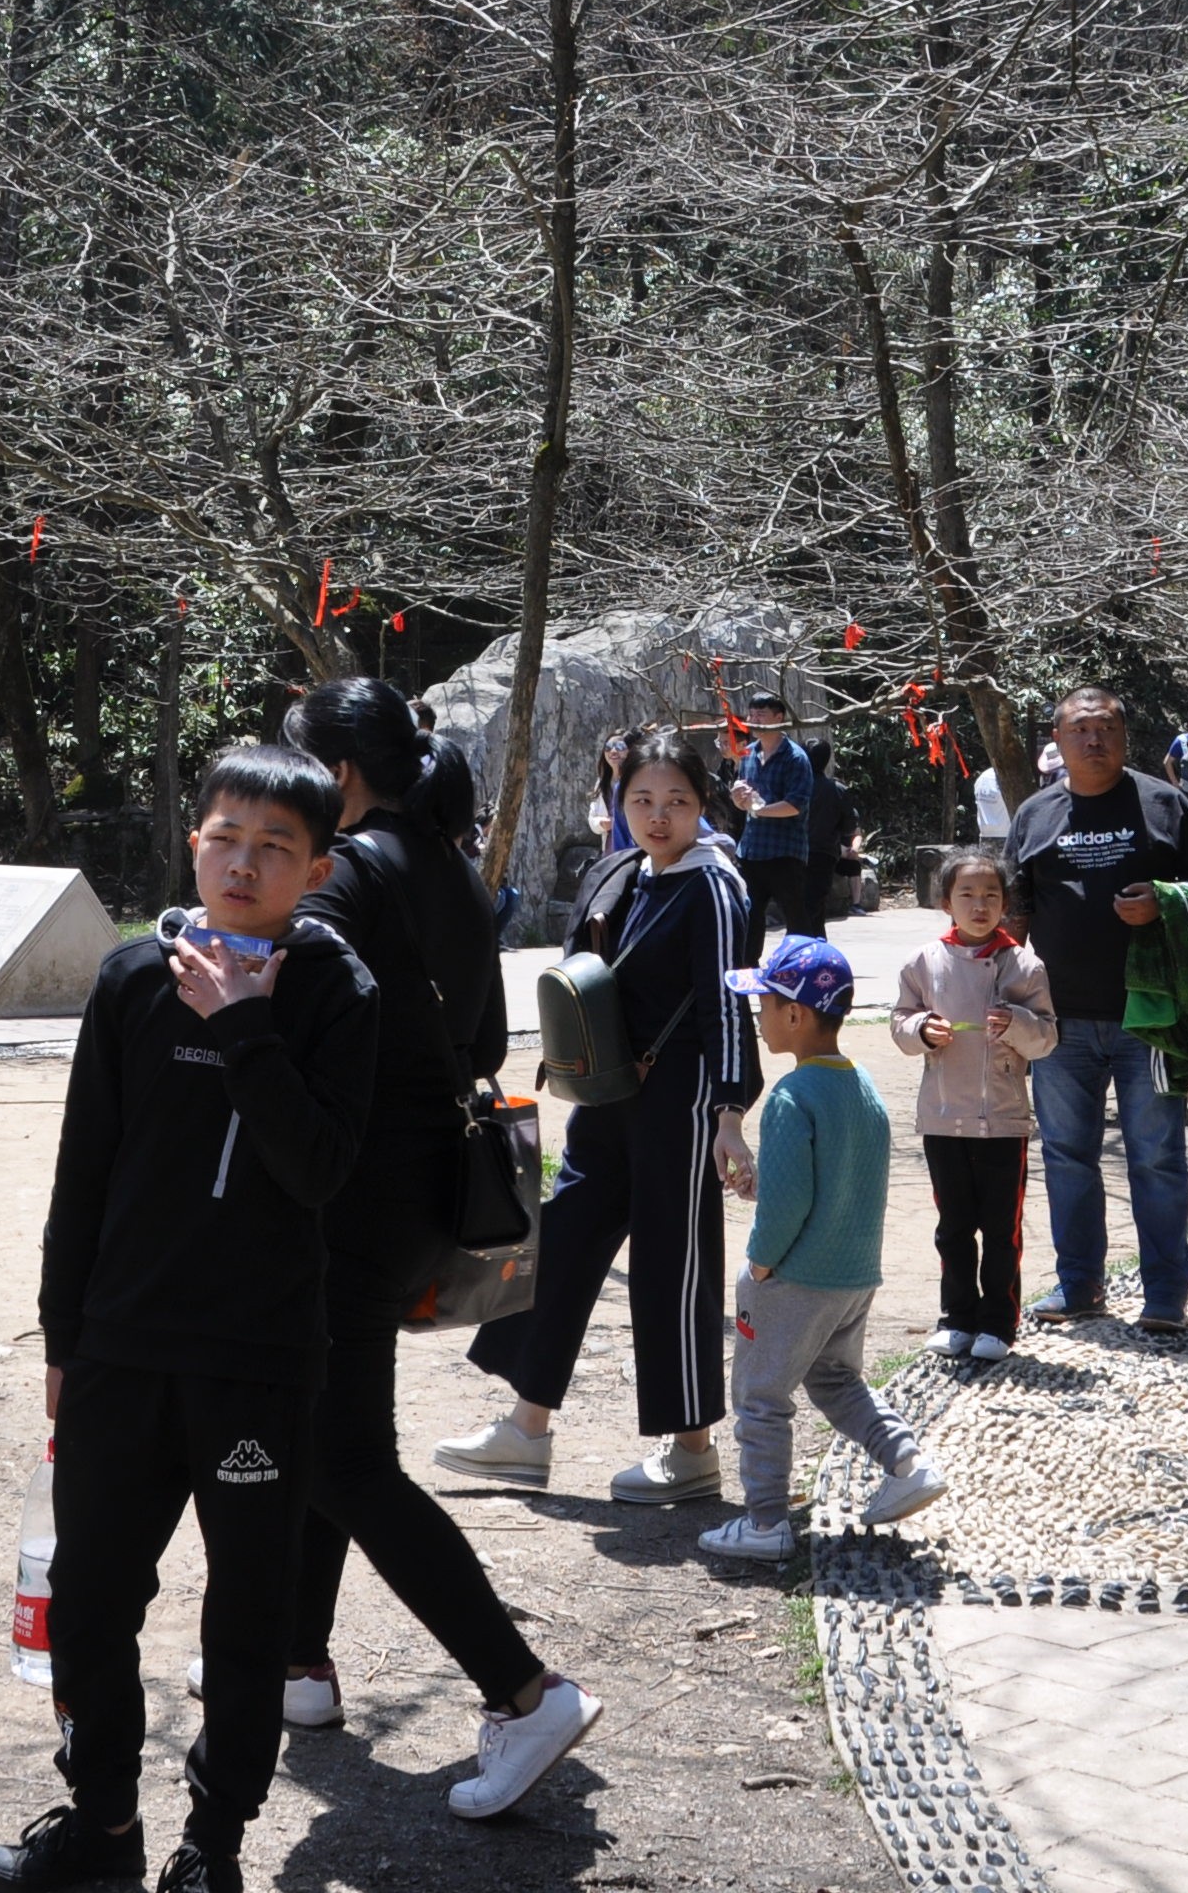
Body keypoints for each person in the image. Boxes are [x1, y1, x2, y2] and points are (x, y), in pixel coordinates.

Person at [0, 740, 379, 1893]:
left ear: (318, 866)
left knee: (246, 1619)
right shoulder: (130, 978)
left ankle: (213, 1846)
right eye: (224, 838)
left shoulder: (336, 990)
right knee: (91, 1597)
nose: (243, 864)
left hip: (255, 1361)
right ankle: (101, 1825)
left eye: (274, 848)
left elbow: (320, 1169)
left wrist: (248, 1024)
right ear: (191, 838)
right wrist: (62, 1336)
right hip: (122, 1350)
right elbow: (82, 1173)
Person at [270, 680, 602, 1819]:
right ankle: (301, 1665)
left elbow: (316, 1033)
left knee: (345, 1455)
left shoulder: (347, 872)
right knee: (326, 1428)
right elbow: (482, 1038)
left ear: (340, 774)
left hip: (346, 1198)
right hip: (420, 1194)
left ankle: (523, 1689)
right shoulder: (446, 862)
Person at [439, 728, 761, 1506]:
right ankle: (526, 1429)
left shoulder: (713, 887)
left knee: (672, 1264)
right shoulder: (620, 872)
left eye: (677, 802)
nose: (658, 816)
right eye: (642, 800)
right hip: (607, 1097)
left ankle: (691, 1449)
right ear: (620, 803)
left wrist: (727, 1112)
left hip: (681, 1100)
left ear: (703, 806)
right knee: (562, 1241)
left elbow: (725, 1004)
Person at [698, 935, 949, 1562]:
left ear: (795, 1015)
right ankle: (907, 1462)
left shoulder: (791, 1096)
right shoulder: (861, 1087)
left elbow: (789, 1210)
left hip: (794, 1280)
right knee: (836, 1380)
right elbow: (838, 1183)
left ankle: (763, 1524)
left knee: (760, 1398)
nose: (757, 1017)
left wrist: (759, 1266)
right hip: (854, 1277)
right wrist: (767, 1186)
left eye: (764, 1004)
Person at [1000, 687, 1188, 1334]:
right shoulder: (1035, 814)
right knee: (1067, 1156)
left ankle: (1165, 1297)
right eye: (1081, 730)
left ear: (1124, 736)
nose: (1093, 740)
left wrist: (1166, 900)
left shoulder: (1163, 804)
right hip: (1058, 1022)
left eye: (1106, 729)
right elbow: (1015, 910)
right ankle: (1080, 1285)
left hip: (1147, 1018)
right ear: (1059, 741)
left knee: (1155, 1154)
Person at [890, 847, 1054, 1359]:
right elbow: (900, 1022)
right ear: (945, 902)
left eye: (991, 895)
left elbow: (1047, 1037)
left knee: (1001, 1230)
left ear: (1005, 905)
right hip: (943, 1118)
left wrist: (1019, 1026)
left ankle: (999, 1324)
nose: (979, 905)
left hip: (1003, 1121)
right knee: (954, 1227)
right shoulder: (923, 962)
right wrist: (921, 1030)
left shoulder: (1024, 964)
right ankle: (956, 1318)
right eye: (967, 894)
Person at [728, 692, 817, 939]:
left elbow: (795, 804)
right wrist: (738, 798)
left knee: (795, 916)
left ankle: (804, 966)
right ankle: (747, 969)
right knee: (749, 916)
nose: (754, 720)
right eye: (751, 714)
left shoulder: (796, 757)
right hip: (751, 850)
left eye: (761, 715)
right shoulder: (748, 753)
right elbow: (742, 798)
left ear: (779, 718)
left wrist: (758, 809)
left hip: (784, 852)